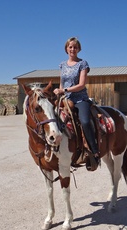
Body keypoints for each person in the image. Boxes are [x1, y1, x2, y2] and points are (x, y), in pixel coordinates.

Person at [53, 37, 100, 169]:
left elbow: (81, 84)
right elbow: (62, 82)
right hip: (65, 98)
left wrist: (65, 90)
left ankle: (94, 150)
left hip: (80, 99)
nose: (72, 49)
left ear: (78, 49)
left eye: (75, 47)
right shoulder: (62, 65)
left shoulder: (82, 64)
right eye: (70, 47)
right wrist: (59, 92)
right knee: (52, 119)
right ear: (66, 49)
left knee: (84, 121)